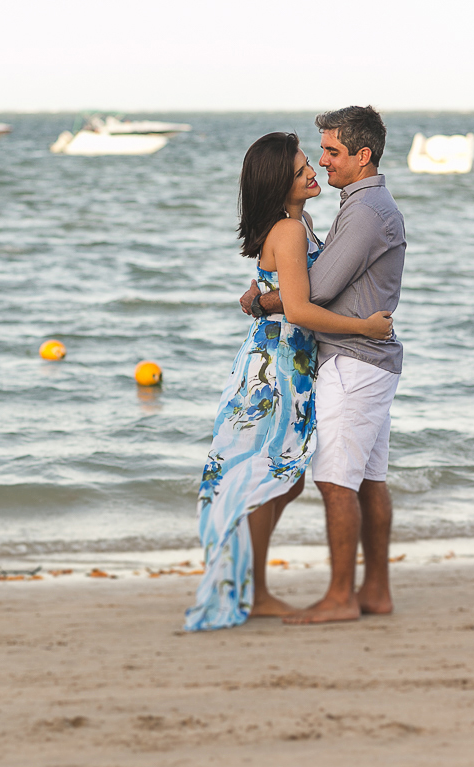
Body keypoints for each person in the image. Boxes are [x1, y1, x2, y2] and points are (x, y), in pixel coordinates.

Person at [185, 132, 393, 632]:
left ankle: (255, 589)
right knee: (273, 477)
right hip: (281, 362)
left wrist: (262, 298)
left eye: (311, 163)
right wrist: (366, 327)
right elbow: (300, 309)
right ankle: (254, 591)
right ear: (281, 182)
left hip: (286, 359)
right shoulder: (291, 231)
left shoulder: (299, 225)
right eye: (302, 168)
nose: (312, 171)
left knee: (281, 478)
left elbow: (286, 295)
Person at [239, 106, 406, 625]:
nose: (323, 163)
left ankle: (340, 597)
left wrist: (262, 301)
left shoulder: (364, 212)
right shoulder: (353, 208)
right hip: (356, 360)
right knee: (367, 480)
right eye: (317, 155)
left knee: (335, 482)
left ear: (363, 155)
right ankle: (373, 591)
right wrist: (268, 292)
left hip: (353, 363)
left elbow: (317, 291)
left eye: (332, 153)